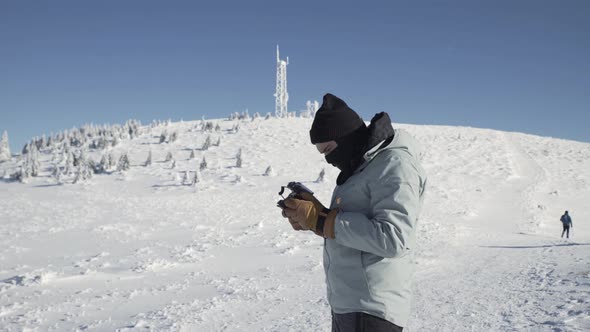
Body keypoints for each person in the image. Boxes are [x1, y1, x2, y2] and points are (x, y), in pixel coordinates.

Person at [280, 93, 427, 332]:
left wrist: (322, 221)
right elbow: (351, 230)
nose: (328, 160)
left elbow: (394, 238)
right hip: (349, 305)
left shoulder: (394, 164)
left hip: (372, 309)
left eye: (328, 150)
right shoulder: (359, 167)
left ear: (346, 137)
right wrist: (313, 219)